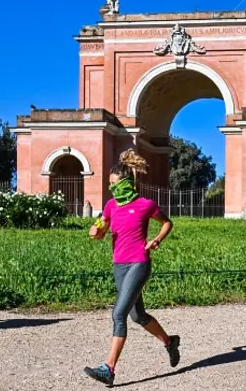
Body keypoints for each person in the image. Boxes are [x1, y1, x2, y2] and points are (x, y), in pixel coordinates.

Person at [84, 149, 180, 386]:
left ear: (126, 182)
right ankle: (170, 342)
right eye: (109, 184)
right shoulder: (110, 206)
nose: (111, 188)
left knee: (118, 313)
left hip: (139, 262)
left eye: (114, 183)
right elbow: (99, 230)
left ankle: (109, 369)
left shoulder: (146, 205)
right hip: (119, 264)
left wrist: (157, 239)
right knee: (137, 315)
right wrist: (95, 232)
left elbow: (167, 223)